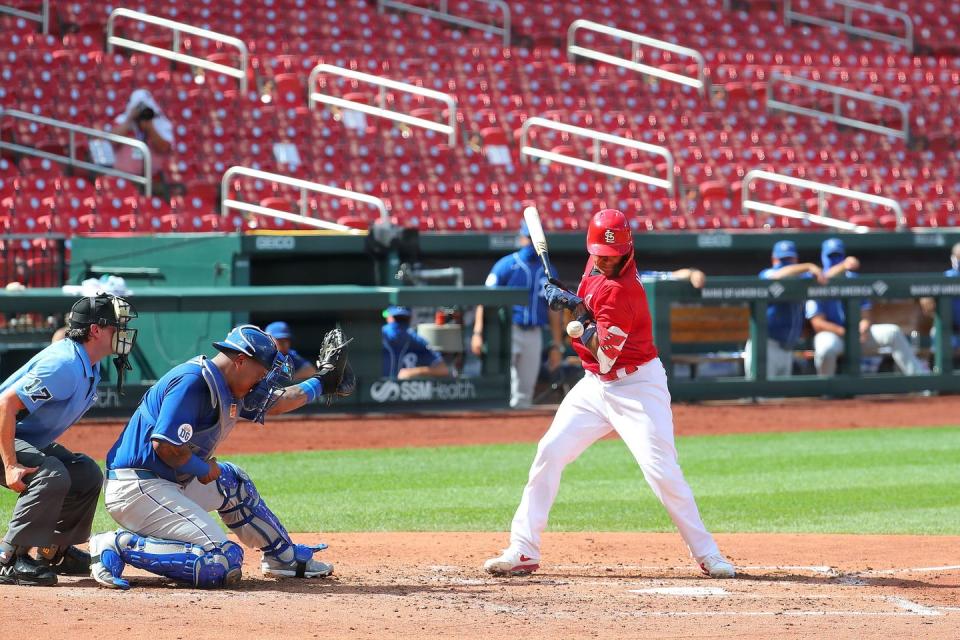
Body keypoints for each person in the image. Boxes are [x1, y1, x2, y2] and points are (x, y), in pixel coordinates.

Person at [483, 209, 735, 579]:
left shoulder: (625, 291)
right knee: (549, 453)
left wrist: (571, 308)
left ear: (626, 251)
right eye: (598, 252)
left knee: (661, 471)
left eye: (610, 255)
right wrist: (573, 299)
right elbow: (592, 326)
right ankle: (523, 548)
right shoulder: (596, 264)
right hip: (594, 387)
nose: (603, 260)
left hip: (637, 388)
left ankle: (707, 554)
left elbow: (604, 356)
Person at [89, 324, 355, 590]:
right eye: (261, 374)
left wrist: (322, 382)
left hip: (169, 482)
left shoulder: (230, 386)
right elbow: (165, 446)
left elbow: (279, 400)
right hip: (137, 488)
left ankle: (283, 559)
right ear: (240, 360)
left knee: (233, 482)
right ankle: (117, 545)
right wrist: (200, 467)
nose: (262, 381)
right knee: (220, 563)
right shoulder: (193, 382)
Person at [0, 293, 137, 586]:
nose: (123, 333)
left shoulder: (89, 362)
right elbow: (5, 405)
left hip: (20, 436)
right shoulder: (64, 364)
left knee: (84, 473)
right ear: (96, 330)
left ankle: (52, 551)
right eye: (116, 326)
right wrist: (10, 464)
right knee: (51, 474)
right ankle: (9, 558)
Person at [472, 222, 563, 408]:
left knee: (525, 391)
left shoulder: (549, 270)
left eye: (534, 239)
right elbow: (485, 300)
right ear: (521, 238)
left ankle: (513, 432)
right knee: (501, 385)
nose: (531, 243)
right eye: (528, 238)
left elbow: (554, 311)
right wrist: (478, 333)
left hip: (535, 333)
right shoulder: (506, 265)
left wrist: (557, 344)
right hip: (508, 331)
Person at [805, 237, 927, 376]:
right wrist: (847, 332)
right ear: (823, 257)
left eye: (838, 255)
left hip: (858, 335)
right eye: (831, 256)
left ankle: (921, 381)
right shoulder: (817, 280)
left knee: (893, 333)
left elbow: (866, 314)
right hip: (834, 335)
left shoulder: (854, 279)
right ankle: (827, 389)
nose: (835, 259)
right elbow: (818, 323)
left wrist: (863, 327)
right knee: (825, 348)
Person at [743, 241, 826, 378]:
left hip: (787, 349)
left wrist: (816, 272)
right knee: (761, 396)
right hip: (765, 346)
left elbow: (825, 278)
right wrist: (808, 266)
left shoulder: (802, 277)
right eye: (782, 259)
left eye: (789, 259)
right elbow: (777, 276)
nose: (786, 262)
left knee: (779, 398)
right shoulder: (766, 273)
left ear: (795, 259)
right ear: (774, 259)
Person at [110, 88, 174, 190]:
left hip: (152, 180)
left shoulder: (160, 124)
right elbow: (112, 140)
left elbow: (164, 147)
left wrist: (150, 128)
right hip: (122, 178)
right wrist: (130, 120)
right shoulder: (122, 121)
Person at [382, 306, 450, 380]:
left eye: (403, 320)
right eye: (397, 319)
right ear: (388, 317)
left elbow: (442, 369)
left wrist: (413, 372)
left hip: (405, 389)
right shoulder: (378, 337)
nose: (399, 326)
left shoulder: (416, 341)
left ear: (410, 319)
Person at [919, 241, 960, 350]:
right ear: (953, 258)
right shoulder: (949, 276)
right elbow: (926, 300)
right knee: (937, 334)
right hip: (949, 327)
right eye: (958, 258)